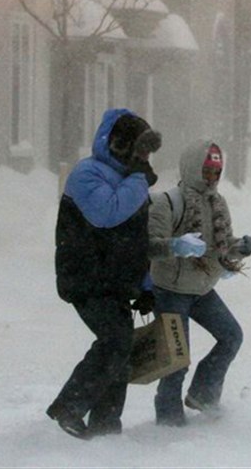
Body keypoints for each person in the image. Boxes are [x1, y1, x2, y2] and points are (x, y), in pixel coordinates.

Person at [47, 108, 162, 439]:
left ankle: (106, 425)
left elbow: (136, 239)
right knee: (115, 341)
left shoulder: (130, 182)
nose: (142, 157)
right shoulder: (87, 174)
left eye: (146, 152)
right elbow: (107, 215)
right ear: (118, 144)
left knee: (122, 352)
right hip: (86, 278)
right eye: (138, 149)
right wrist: (139, 178)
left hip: (115, 283)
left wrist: (145, 286)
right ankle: (69, 406)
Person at [147, 139, 251, 427]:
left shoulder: (217, 203)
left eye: (216, 172)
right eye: (206, 171)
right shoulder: (167, 202)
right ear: (192, 168)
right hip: (171, 292)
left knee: (231, 335)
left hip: (203, 289)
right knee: (176, 361)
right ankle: (169, 421)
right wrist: (175, 246)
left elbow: (219, 246)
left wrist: (238, 248)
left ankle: (204, 395)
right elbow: (148, 246)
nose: (211, 178)